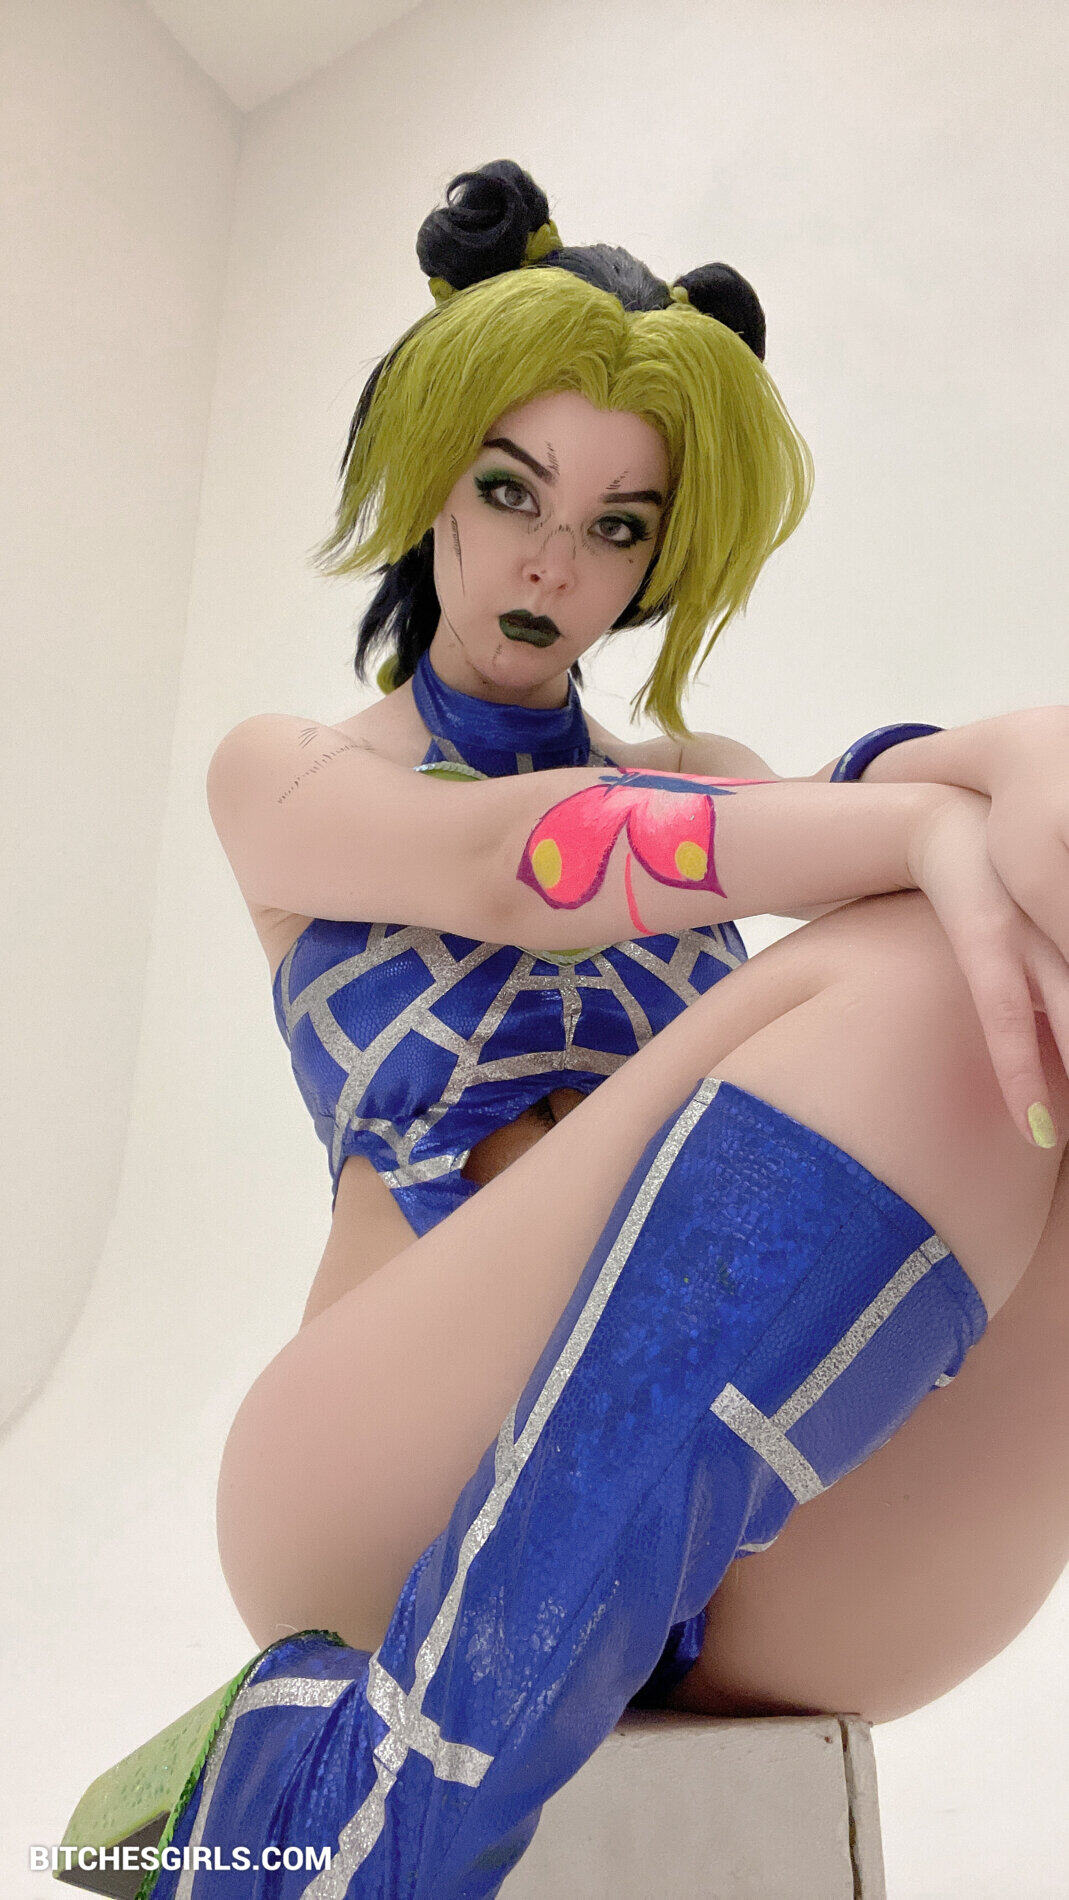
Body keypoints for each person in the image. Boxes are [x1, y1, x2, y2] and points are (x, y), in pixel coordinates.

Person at [62, 162, 1069, 1899]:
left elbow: (859, 811)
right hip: (374, 1491)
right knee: (920, 963)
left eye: (618, 525)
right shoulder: (288, 774)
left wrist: (1028, 756)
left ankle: (338, 1814)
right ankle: (386, 1832)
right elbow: (522, 867)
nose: (550, 559)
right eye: (508, 486)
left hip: (766, 1579)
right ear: (425, 477)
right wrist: (920, 819)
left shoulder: (714, 778)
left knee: (1013, 977)